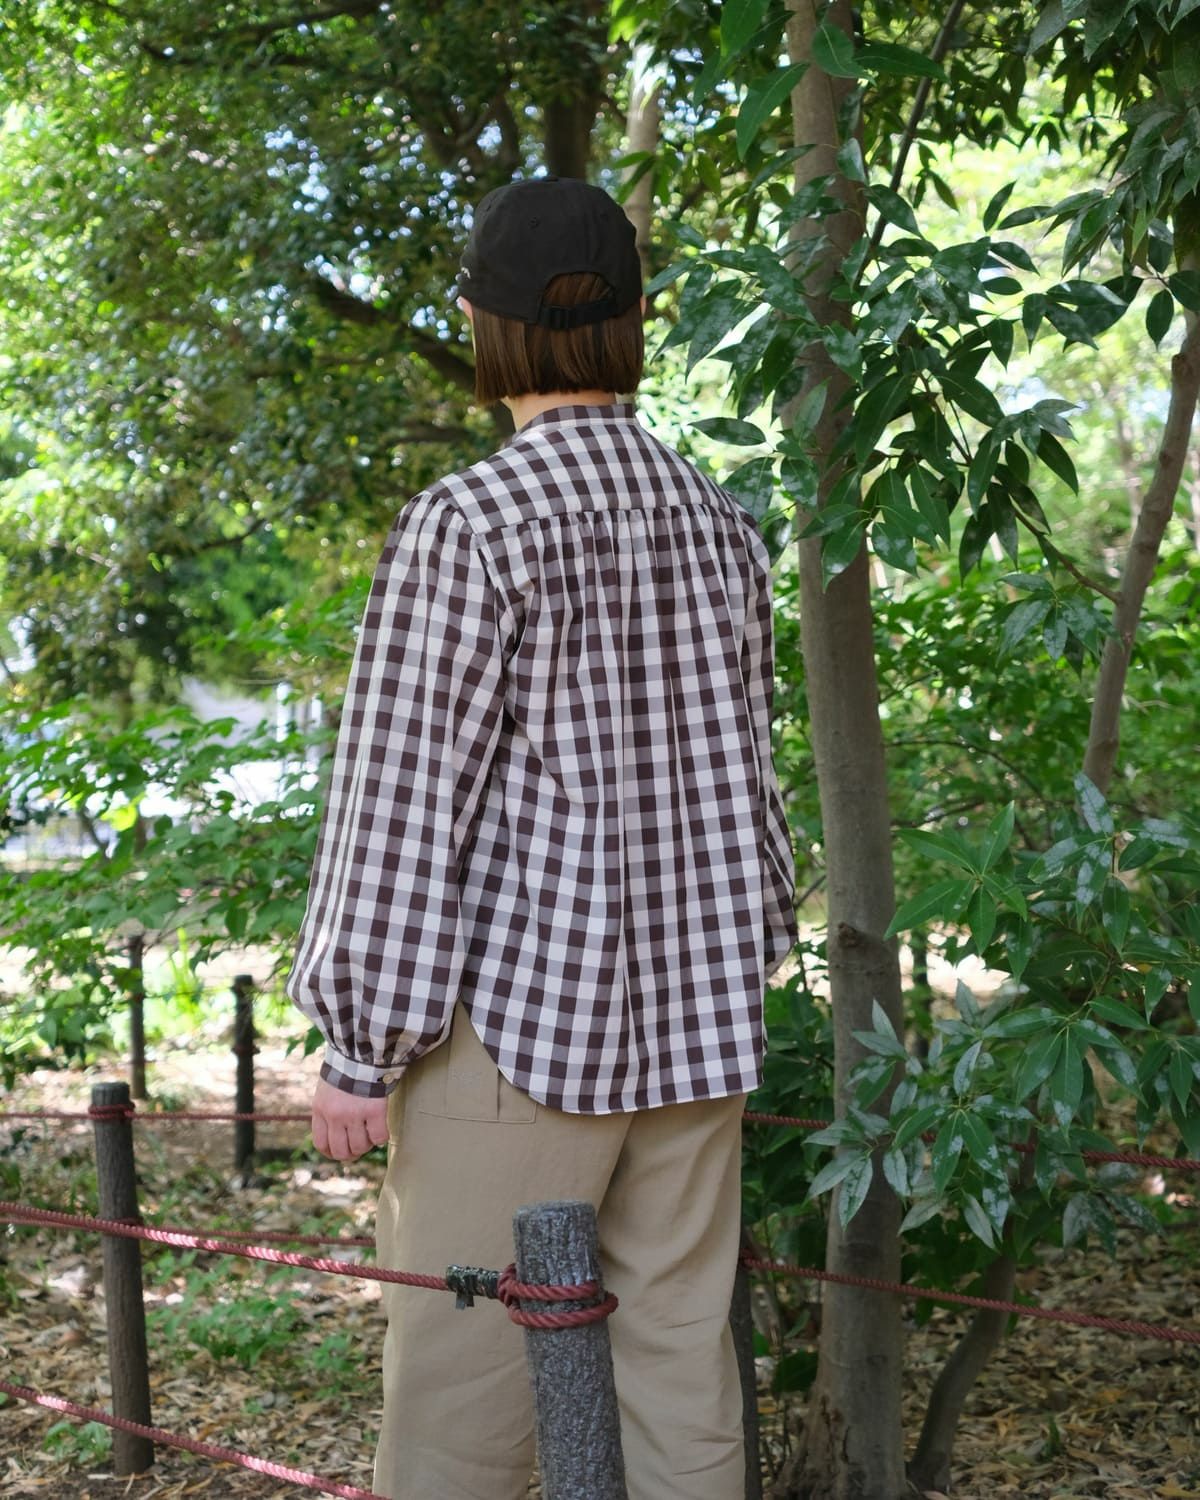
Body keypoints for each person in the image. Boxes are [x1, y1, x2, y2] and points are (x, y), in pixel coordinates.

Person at [285, 173, 798, 1500]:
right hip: (699, 1033)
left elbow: (402, 805)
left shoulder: (467, 526)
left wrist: (360, 1044)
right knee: (681, 1372)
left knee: (464, 1412)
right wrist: (749, 955)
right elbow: (754, 788)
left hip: (516, 1043)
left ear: (486, 324)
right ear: (633, 321)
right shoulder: (722, 526)